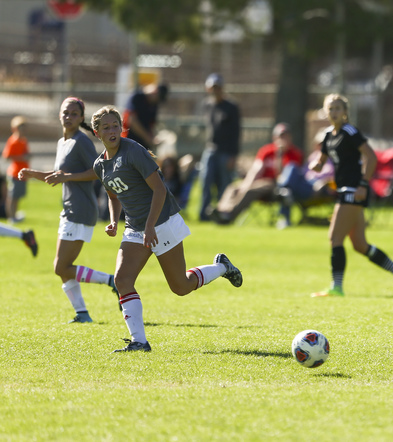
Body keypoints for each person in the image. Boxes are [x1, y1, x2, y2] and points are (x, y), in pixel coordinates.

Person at [90, 105, 243, 352]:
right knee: (122, 280)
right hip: (135, 228)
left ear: (122, 127)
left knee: (180, 287)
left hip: (162, 222)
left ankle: (222, 266)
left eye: (115, 125)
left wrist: (150, 227)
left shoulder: (133, 151)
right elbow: (114, 195)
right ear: (97, 133)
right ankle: (139, 341)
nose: (112, 131)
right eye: (106, 127)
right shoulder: (100, 164)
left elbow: (159, 190)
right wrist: (113, 220)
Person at [18, 97, 118, 323]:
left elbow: (100, 171)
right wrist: (33, 174)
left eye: (74, 114)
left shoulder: (81, 142)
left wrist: (68, 177)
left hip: (81, 210)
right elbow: (58, 177)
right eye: (66, 112)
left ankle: (112, 281)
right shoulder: (63, 142)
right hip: (69, 209)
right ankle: (82, 314)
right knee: (63, 268)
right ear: (60, 114)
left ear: (81, 118)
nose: (69, 117)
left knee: (60, 267)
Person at [309, 94, 393, 298]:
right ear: (325, 111)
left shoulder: (350, 131)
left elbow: (371, 157)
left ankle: (337, 287)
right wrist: (317, 166)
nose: (334, 112)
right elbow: (322, 159)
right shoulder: (329, 134)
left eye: (338, 108)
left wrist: (364, 184)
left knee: (335, 238)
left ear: (345, 112)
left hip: (353, 190)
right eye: (330, 108)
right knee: (360, 245)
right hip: (344, 190)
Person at [212, 123, 303, 225]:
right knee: (234, 187)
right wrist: (246, 184)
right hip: (258, 181)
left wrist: (280, 155)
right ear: (274, 137)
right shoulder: (266, 150)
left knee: (250, 191)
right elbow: (256, 169)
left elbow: (283, 176)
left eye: (285, 136)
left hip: (274, 185)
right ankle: (221, 210)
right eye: (280, 136)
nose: (282, 139)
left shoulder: (294, 153)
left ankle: (228, 214)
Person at [200, 73, 241, 221]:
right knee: (206, 180)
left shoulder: (231, 107)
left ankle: (223, 213)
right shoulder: (207, 104)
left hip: (226, 152)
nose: (215, 90)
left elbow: (237, 132)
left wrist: (234, 155)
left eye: (217, 87)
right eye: (212, 87)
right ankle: (204, 214)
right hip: (211, 149)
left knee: (224, 185)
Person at [122, 83, 169, 150]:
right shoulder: (137, 97)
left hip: (143, 145)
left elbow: (151, 125)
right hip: (129, 141)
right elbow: (132, 121)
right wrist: (148, 139)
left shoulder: (154, 105)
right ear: (155, 92)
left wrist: (154, 139)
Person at [3, 116, 30, 223]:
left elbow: (26, 154)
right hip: (15, 172)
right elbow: (7, 156)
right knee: (12, 197)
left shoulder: (23, 141)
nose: (22, 130)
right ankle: (11, 217)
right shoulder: (13, 141)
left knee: (18, 196)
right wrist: (21, 158)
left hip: (23, 173)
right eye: (20, 128)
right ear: (15, 128)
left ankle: (15, 215)